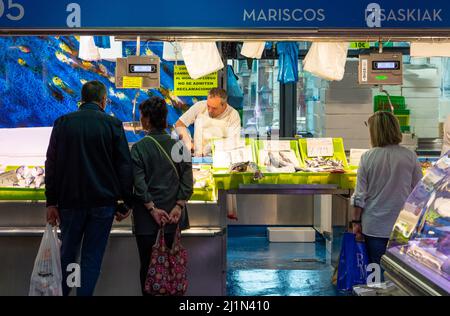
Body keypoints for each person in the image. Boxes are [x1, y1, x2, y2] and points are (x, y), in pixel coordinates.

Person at [45, 80, 133, 296]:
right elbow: (124, 166)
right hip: (103, 205)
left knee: (68, 254)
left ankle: (64, 293)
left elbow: (51, 164)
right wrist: (126, 202)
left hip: (70, 203)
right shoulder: (112, 125)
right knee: (91, 258)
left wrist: (51, 202)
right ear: (103, 101)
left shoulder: (62, 123)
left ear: (82, 99)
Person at [131, 96, 193, 296]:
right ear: (165, 119)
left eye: (141, 117)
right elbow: (187, 182)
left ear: (147, 120)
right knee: (172, 265)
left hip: (147, 221)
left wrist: (151, 208)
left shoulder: (140, 147)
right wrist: (178, 207)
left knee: (148, 268)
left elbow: (139, 185)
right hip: (174, 218)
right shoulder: (179, 146)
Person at [351, 111, 422, 267]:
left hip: (374, 225)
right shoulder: (410, 156)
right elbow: (419, 193)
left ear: (374, 132)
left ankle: (377, 290)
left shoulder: (367, 157)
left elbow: (360, 196)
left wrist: (355, 222)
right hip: (402, 225)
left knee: (375, 268)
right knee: (398, 270)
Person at [175, 88, 241, 157]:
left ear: (224, 105)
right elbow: (179, 124)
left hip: (221, 158)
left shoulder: (233, 115)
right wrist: (188, 142)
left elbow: (234, 141)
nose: (210, 110)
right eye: (208, 106)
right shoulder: (200, 106)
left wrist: (212, 146)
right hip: (197, 157)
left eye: (214, 108)